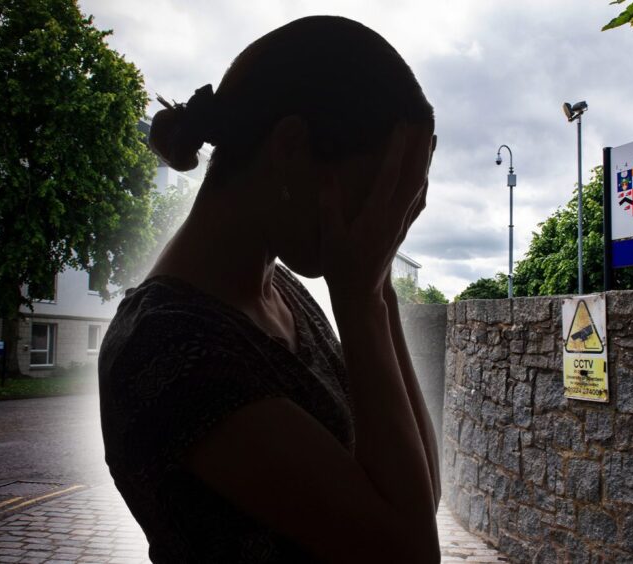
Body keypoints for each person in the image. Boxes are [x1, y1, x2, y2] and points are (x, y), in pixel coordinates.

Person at [98, 15, 440, 563]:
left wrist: (377, 292)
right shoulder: (169, 346)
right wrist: (359, 300)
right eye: (377, 188)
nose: (387, 220)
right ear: (290, 147)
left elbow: (417, 493)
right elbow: (408, 551)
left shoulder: (281, 292)